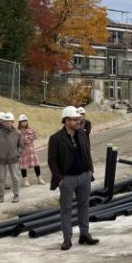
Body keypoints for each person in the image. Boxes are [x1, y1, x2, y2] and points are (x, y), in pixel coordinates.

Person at [47, 106, 99, 251]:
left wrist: (90, 170)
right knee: (66, 209)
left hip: (84, 177)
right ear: (66, 120)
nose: (78, 121)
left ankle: (84, 234)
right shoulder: (56, 138)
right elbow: (52, 161)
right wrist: (60, 179)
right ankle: (67, 238)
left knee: (84, 206)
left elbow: (87, 152)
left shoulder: (82, 134)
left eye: (79, 119)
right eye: (75, 120)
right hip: (67, 179)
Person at [0, 112, 22, 204]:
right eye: (5, 121)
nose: (7, 123)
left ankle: (16, 195)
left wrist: (18, 153)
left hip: (13, 159)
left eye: (9, 121)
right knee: (1, 179)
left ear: (12, 122)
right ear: (3, 122)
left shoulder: (17, 133)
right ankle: (1, 196)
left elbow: (21, 145)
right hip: (1, 159)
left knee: (15, 178)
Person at [18, 114, 45, 186]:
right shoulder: (18, 131)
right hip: (23, 150)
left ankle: (39, 178)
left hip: (31, 150)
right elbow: (19, 140)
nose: (24, 123)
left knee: (36, 164)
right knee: (23, 166)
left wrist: (26, 138)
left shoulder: (31, 129)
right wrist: (28, 138)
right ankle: (25, 180)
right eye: (22, 121)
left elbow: (35, 135)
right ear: (19, 123)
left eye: (25, 121)